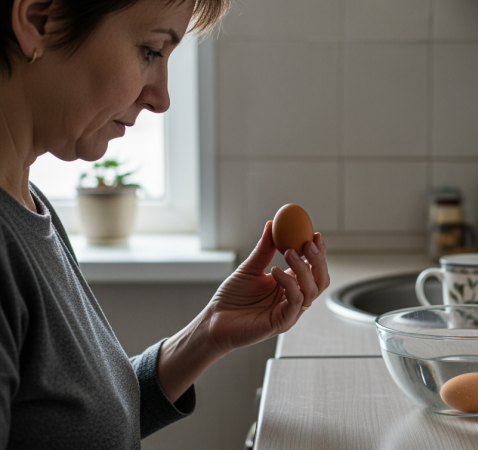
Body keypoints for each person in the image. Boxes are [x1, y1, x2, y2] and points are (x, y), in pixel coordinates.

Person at [0, 0, 331, 448]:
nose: (161, 98)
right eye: (150, 51)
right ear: (39, 20)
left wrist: (210, 330)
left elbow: (83, 428)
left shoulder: (28, 205)